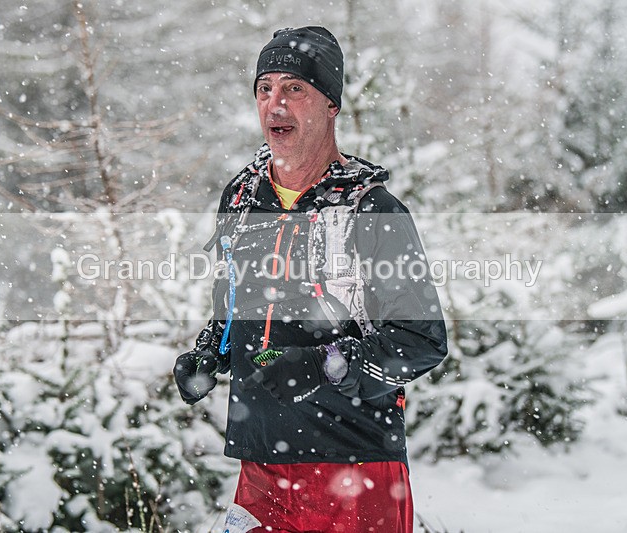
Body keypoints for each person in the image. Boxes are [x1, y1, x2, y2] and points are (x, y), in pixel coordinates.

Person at [174, 26, 447, 533]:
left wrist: (325, 367)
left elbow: (422, 339)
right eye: (264, 88)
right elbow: (233, 309)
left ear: (331, 105)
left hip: (354, 463)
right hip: (261, 461)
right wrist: (211, 351)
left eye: (294, 88)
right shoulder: (241, 203)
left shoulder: (372, 209)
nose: (274, 104)